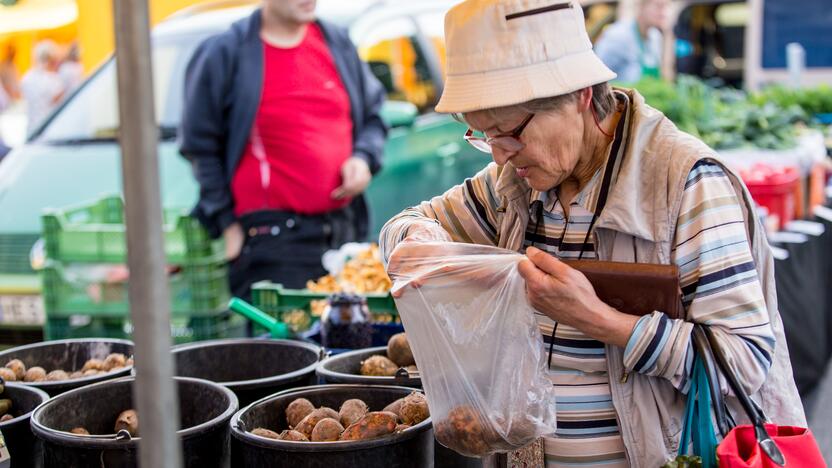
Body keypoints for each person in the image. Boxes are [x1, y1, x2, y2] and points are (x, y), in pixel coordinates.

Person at [381, 1, 805, 466]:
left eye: (509, 133)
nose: (500, 156)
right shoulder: (514, 185)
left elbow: (742, 364)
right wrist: (424, 249)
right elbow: (402, 228)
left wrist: (599, 319)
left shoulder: (685, 185)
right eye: (483, 136)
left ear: (580, 95)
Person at [179, 0, 387, 302]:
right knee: (286, 347)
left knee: (348, 343)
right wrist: (228, 225)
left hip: (343, 230)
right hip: (271, 242)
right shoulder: (226, 53)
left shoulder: (337, 43)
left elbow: (373, 116)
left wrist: (363, 157)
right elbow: (199, 146)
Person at [594, 0, 669, 82]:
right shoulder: (618, 36)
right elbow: (598, 74)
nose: (664, 13)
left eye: (666, 6)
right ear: (641, 6)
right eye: (659, 6)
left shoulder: (655, 37)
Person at [20, 40, 65, 134]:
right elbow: (61, 103)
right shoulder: (53, 80)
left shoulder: (27, 77)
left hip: (32, 129)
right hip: (50, 128)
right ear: (52, 59)